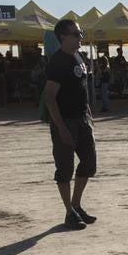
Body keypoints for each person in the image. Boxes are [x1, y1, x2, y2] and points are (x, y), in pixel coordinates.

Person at [42, 18, 98, 230]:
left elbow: (81, 87)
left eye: (80, 33)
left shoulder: (78, 56)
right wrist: (61, 128)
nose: (80, 37)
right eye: (76, 34)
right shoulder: (57, 62)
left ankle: (76, 205)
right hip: (65, 121)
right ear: (63, 37)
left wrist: (88, 112)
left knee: (89, 163)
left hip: (82, 119)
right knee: (65, 169)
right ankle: (69, 212)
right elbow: (50, 98)